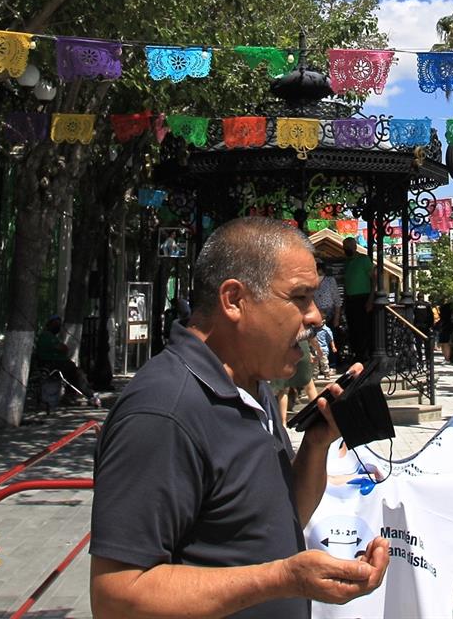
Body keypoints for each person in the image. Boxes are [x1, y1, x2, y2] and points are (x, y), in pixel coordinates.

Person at [89, 218, 389, 619]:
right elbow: (117, 597)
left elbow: (279, 517)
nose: (316, 316)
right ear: (234, 300)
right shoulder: (163, 411)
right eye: (300, 297)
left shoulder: (251, 384)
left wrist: (318, 442)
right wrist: (282, 579)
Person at [33, 315, 102, 407]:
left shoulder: (51, 336)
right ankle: (90, 394)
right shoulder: (47, 336)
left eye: (59, 324)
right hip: (53, 364)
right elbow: (63, 348)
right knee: (77, 374)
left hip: (59, 363)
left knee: (74, 374)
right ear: (50, 325)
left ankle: (73, 395)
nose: (58, 326)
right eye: (56, 324)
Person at [340, 236, 374, 366]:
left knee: (363, 329)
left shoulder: (364, 260)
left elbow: (374, 280)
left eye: (348, 247)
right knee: (353, 329)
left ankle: (365, 356)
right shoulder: (347, 262)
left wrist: (371, 299)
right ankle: (357, 356)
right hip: (350, 299)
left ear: (354, 247)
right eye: (344, 247)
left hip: (363, 298)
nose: (346, 249)